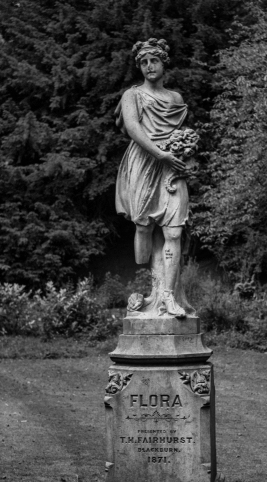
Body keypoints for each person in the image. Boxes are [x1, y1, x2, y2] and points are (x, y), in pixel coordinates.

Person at [115, 38, 191, 318]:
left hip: (171, 167)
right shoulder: (132, 95)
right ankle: (152, 291)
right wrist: (160, 154)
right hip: (144, 163)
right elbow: (134, 129)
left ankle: (168, 298)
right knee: (144, 230)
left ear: (163, 63)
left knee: (174, 231)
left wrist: (185, 158)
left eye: (154, 61)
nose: (149, 66)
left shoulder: (175, 99)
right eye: (144, 62)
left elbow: (181, 139)